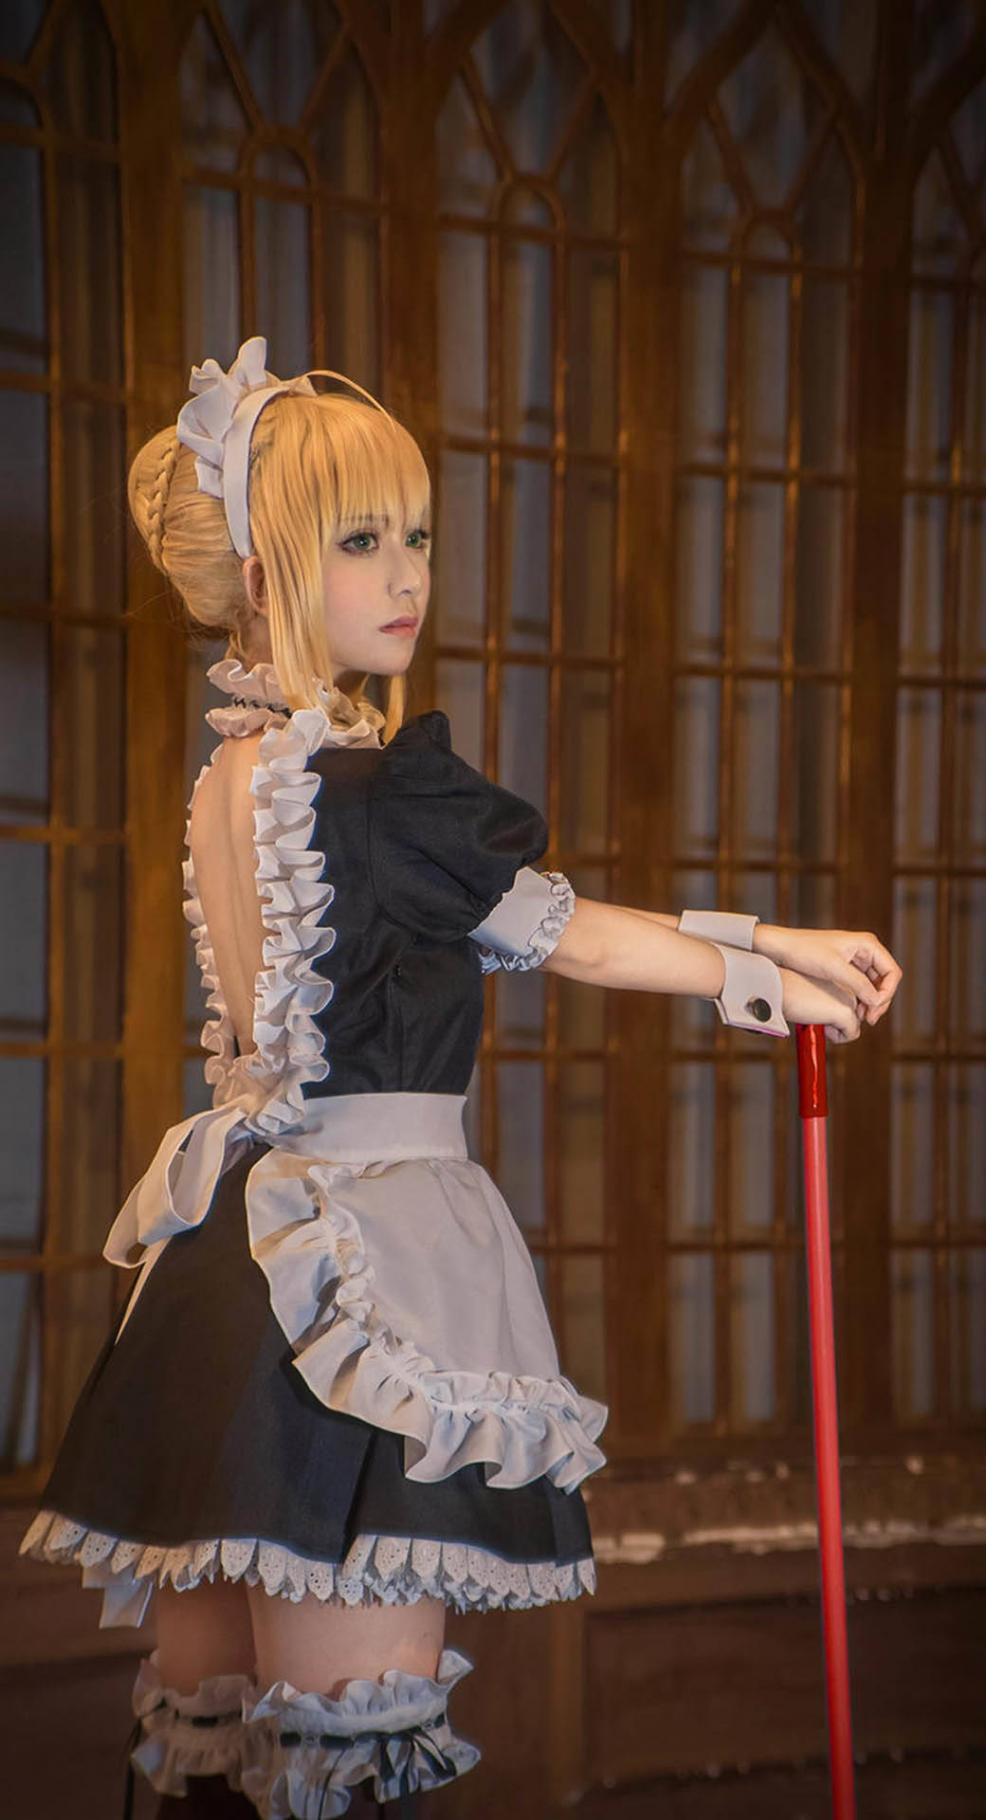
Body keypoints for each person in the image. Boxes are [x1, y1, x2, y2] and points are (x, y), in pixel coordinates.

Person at [17, 337, 901, 1819]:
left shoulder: (235, 779)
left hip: (219, 1287)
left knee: (212, 1751)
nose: (406, 576)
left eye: (416, 537)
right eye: (360, 540)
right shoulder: (373, 792)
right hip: (344, 1286)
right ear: (264, 568)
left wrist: (760, 950)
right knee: (340, 1761)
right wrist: (761, 963)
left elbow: (511, 920)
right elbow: (575, 936)